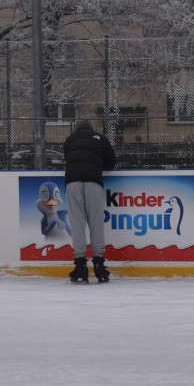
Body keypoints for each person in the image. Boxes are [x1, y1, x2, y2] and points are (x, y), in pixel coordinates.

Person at [63, 119, 116, 282]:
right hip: (93, 181)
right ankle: (99, 265)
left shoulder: (70, 139)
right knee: (96, 222)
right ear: (92, 129)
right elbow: (111, 164)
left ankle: (80, 265)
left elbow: (68, 158)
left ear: (77, 129)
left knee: (77, 223)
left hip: (73, 182)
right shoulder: (101, 139)